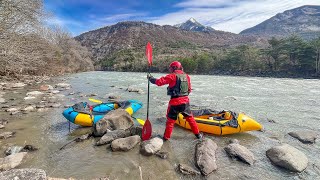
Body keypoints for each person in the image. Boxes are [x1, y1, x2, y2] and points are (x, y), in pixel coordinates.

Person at [148, 61, 203, 141]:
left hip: (174, 102)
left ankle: (166, 138)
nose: (169, 70)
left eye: (170, 68)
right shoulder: (187, 76)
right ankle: (198, 135)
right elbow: (189, 90)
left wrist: (151, 78)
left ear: (174, 68)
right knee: (191, 119)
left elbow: (159, 82)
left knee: (170, 122)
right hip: (185, 102)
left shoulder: (172, 76)